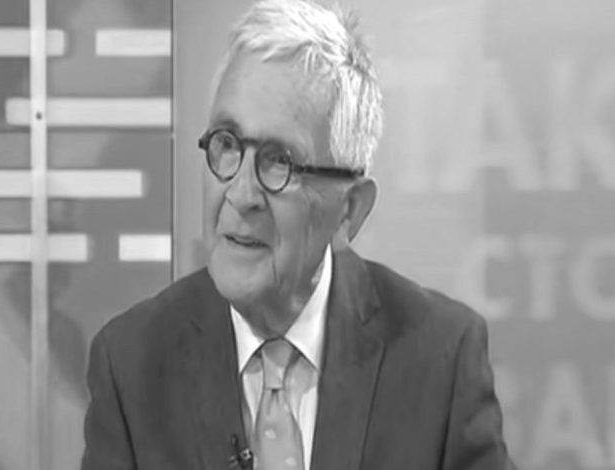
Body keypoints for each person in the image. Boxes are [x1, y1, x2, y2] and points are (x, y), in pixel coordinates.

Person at [82, 0, 515, 469]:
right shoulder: (131, 366)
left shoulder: (441, 361)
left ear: (349, 210)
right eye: (227, 143)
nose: (240, 194)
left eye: (278, 162)